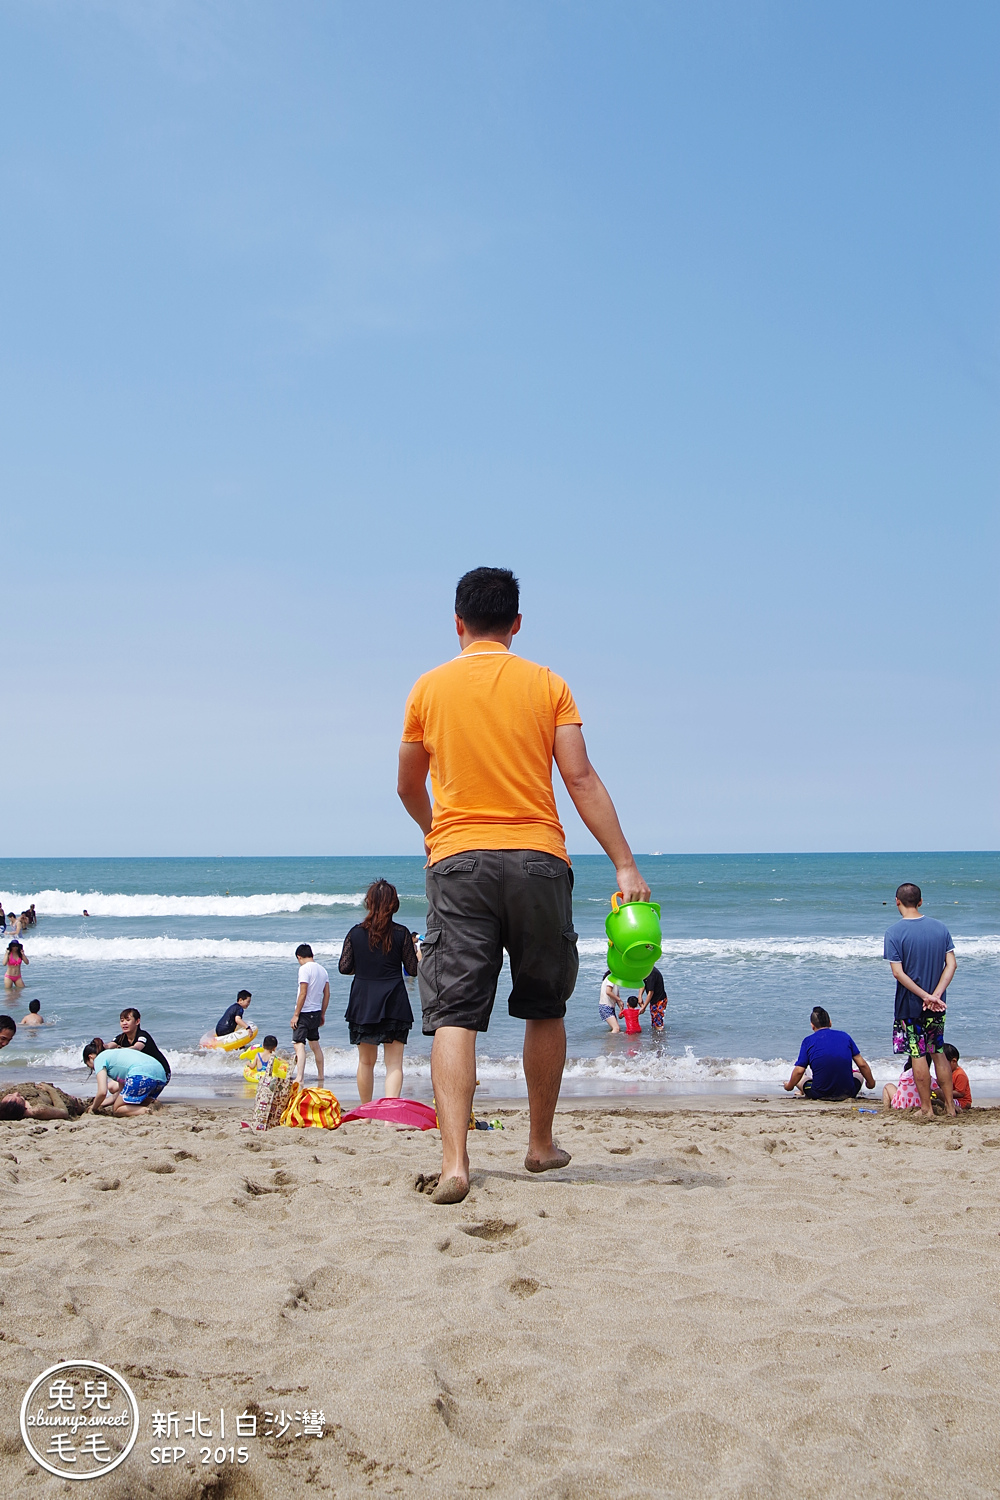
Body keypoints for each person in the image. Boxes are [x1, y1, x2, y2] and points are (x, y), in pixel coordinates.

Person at [398, 566, 649, 1204]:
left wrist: (436, 832)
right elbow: (581, 778)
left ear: (458, 623)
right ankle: (539, 1144)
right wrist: (623, 863)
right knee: (545, 1005)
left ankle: (456, 1162)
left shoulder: (427, 689)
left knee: (455, 1013)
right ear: (515, 623)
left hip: (458, 863)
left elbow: (406, 784)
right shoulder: (547, 684)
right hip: (538, 859)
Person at [339, 879, 418, 1104]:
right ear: (394, 904)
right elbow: (412, 970)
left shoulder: (355, 933)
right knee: (394, 1064)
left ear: (369, 903)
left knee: (366, 1062)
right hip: (394, 1000)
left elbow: (344, 967)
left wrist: (364, 967)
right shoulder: (402, 934)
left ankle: (366, 1114)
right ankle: (389, 1117)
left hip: (363, 1001)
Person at [884, 883, 956, 1118]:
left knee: (917, 1053)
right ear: (921, 901)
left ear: (897, 901)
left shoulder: (894, 932)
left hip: (911, 1005)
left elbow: (898, 973)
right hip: (937, 1004)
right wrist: (935, 995)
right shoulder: (940, 928)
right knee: (938, 1052)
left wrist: (925, 996)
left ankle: (926, 1109)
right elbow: (951, 964)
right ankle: (950, 1107)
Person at [783, 1007, 876, 1100]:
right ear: (830, 1023)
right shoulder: (845, 1037)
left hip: (819, 1093)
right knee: (858, 1074)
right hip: (848, 1092)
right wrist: (871, 1084)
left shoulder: (808, 1041)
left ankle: (802, 1090)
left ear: (812, 1026)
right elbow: (862, 1065)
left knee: (802, 1078)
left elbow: (799, 1071)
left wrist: (789, 1086)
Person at [83, 1037, 168, 1115]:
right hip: (161, 1076)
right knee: (135, 1104)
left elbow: (102, 1092)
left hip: (141, 1076)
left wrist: (93, 1108)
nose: (92, 1068)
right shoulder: (115, 1055)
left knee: (117, 1109)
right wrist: (101, 1104)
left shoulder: (99, 1059)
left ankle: (147, 1111)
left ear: (90, 1057)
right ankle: (153, 1106)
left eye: (88, 1065)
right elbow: (120, 1093)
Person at [291, 944, 330, 1087]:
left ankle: (299, 1077)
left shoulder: (304, 969)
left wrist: (296, 1014)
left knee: (299, 1045)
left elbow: (303, 992)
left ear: (299, 957)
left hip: (304, 1012)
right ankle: (321, 1076)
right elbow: (327, 994)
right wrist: (322, 1013)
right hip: (316, 1012)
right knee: (315, 1044)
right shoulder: (323, 970)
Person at [113, 1007, 172, 1081]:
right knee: (112, 1086)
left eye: (128, 1020)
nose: (124, 1023)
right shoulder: (121, 1038)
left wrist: (121, 1049)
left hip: (162, 1073)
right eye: (122, 1021)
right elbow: (110, 1045)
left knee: (119, 1087)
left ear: (137, 1021)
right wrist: (100, 1045)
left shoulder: (143, 1035)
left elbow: (137, 1047)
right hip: (146, 1072)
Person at [0, 1082, 88, 1120]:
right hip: (63, 1099)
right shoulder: (37, 1110)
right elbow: (64, 1112)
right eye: (18, 1098)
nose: (16, 1093)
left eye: (11, 1095)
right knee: (77, 1105)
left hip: (37, 1090)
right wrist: (51, 1090)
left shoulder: (5, 1105)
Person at [937, 1044, 971, 1111]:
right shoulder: (947, 1073)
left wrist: (943, 1092)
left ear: (954, 1061)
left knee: (939, 1102)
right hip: (951, 1098)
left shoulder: (960, 1074)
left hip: (962, 1102)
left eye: (944, 1063)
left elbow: (960, 1093)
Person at [641, 966, 668, 1032]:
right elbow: (643, 983)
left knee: (658, 1023)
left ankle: (661, 1039)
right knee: (654, 1022)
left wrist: (644, 1007)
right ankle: (655, 1038)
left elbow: (651, 992)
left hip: (659, 1000)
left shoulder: (651, 974)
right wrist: (639, 996)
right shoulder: (646, 971)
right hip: (654, 1000)